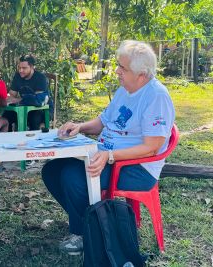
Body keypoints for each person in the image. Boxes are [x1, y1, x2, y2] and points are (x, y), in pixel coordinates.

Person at [42, 40, 175, 255]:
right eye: (118, 65)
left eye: (123, 68)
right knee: (52, 170)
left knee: (72, 177)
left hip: (137, 168)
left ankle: (84, 234)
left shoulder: (156, 96)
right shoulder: (125, 89)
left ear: (141, 74)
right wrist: (79, 126)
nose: (117, 71)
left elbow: (152, 147)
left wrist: (110, 156)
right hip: (106, 155)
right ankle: (93, 223)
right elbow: (102, 122)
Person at [5, 55, 50, 130]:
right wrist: (9, 98)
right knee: (6, 116)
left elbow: (37, 100)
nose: (20, 70)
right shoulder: (17, 76)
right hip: (23, 108)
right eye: (19, 68)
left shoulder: (40, 78)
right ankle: (9, 140)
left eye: (24, 68)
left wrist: (18, 100)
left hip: (40, 109)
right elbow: (11, 95)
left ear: (32, 67)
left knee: (34, 119)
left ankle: (33, 141)